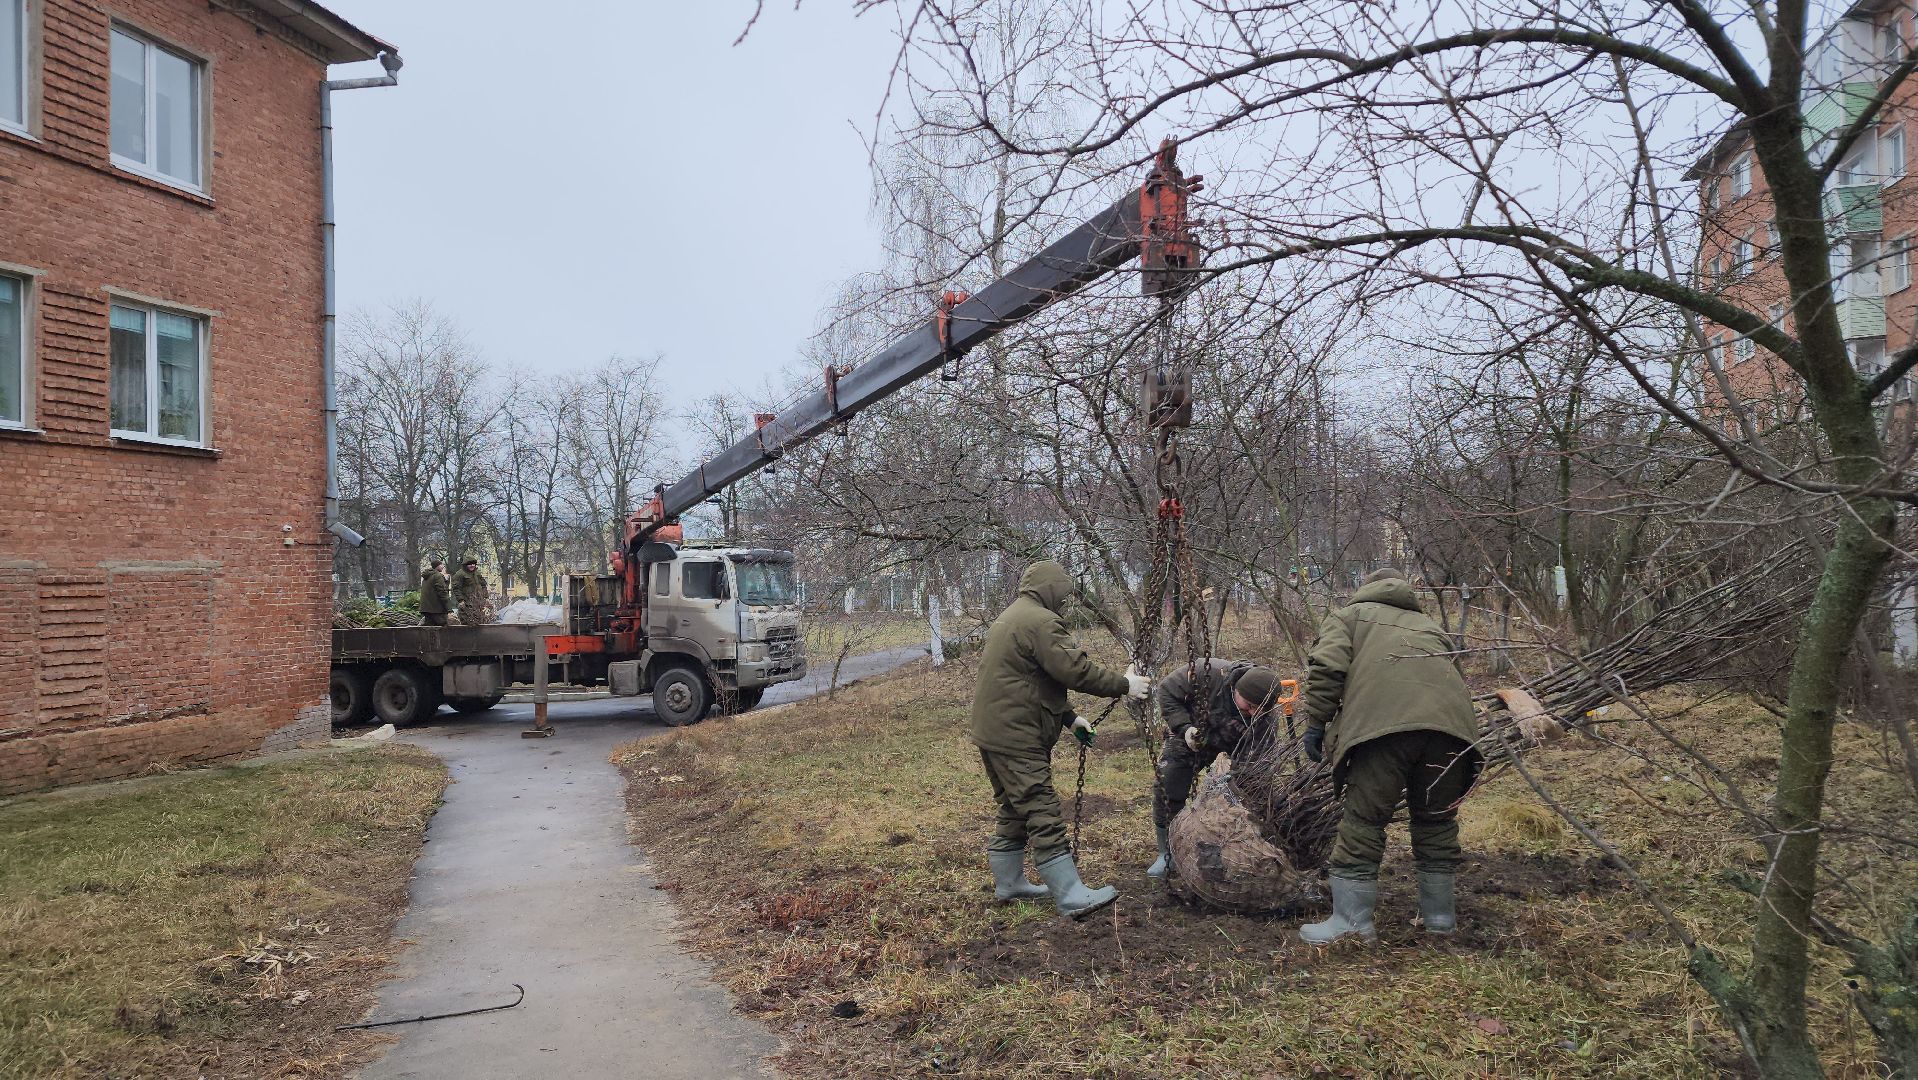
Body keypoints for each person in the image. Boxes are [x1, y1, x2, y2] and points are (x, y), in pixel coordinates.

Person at [1297, 567, 1482, 945]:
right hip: (1452, 731)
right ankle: (1441, 920)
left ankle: (1351, 924)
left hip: (1383, 731)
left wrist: (1316, 722)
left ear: (1364, 591)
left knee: (1365, 820)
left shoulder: (1348, 616)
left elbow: (1328, 667)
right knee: (1436, 822)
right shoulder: (1429, 625)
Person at [969, 560, 1150, 918]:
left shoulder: (1012, 616)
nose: (1066, 602)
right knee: (1040, 806)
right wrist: (1125, 685)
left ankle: (1010, 884)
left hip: (993, 732)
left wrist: (1069, 718)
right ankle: (1070, 893)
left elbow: (1027, 680)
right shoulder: (1042, 621)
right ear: (1051, 589)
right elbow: (1074, 670)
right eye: (1064, 594)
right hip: (1017, 735)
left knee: (1014, 806)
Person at [1146, 660, 1292, 878]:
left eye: (1258, 709)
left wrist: (1240, 782)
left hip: (1237, 746)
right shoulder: (1209, 674)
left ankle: (1241, 848)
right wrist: (1184, 728)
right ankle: (1166, 853)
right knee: (1168, 782)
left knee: (1248, 792)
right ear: (1236, 690)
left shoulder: (1265, 721)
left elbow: (1258, 765)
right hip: (1194, 735)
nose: (1252, 712)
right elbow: (1167, 690)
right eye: (1249, 705)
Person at [451, 557, 492, 626]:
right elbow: (456, 588)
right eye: (470, 564)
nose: (472, 565)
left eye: (474, 564)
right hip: (467, 603)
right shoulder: (460, 574)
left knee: (481, 622)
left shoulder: (477, 573)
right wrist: (461, 600)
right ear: (465, 565)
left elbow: (483, 585)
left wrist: (486, 597)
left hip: (479, 603)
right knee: (467, 623)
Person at [420, 559, 452, 627]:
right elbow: (442, 592)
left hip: (426, 608)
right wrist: (449, 609)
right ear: (437, 566)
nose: (443, 566)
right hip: (436, 608)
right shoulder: (437, 576)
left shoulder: (426, 576)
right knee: (443, 626)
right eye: (441, 565)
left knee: (429, 628)